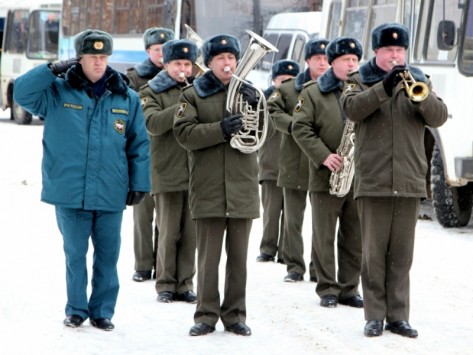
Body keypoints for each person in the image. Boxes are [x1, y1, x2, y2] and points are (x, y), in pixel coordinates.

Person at [13, 29, 150, 331]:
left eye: (104, 57)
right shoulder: (57, 92)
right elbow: (21, 94)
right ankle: (76, 309)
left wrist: (140, 182)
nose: (99, 63)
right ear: (80, 58)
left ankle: (102, 311)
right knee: (75, 255)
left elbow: (138, 144)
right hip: (70, 190)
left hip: (111, 190)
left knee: (108, 256)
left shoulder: (126, 97)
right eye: (92, 57)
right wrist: (49, 71)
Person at [340, 23, 448, 338]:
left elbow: (439, 116)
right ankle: (374, 315)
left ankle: (398, 315)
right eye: (389, 51)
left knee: (401, 254)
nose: (395, 56)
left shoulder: (419, 79)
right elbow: (352, 111)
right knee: (373, 254)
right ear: (377, 52)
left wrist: (421, 96)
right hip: (374, 180)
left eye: (400, 51)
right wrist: (383, 88)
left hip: (410, 179)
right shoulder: (358, 80)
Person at [174, 33, 272, 337]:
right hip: (209, 187)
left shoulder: (252, 93)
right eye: (221, 59)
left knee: (239, 261)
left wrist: (257, 108)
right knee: (208, 259)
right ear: (209, 62)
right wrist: (220, 130)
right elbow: (184, 134)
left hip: (242, 187)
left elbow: (260, 136)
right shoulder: (193, 95)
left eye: (232, 58)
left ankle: (235, 315)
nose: (227, 64)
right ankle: (205, 315)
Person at [292, 37, 364, 309]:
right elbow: (301, 128)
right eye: (346, 60)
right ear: (333, 62)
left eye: (355, 60)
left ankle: (349, 288)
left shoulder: (363, 89)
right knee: (323, 235)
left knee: (354, 234)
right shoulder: (312, 92)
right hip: (326, 175)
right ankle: (327, 288)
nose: (351, 64)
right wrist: (323, 155)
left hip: (358, 177)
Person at [139, 39, 198, 304]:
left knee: (190, 234)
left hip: (196, 172)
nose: (183, 69)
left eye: (187, 64)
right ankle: (165, 283)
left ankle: (185, 283)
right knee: (168, 231)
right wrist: (186, 106)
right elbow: (153, 123)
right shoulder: (151, 91)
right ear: (166, 64)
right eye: (178, 64)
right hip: (167, 169)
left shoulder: (200, 89)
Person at [268, 38, 329, 282]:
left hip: (322, 163)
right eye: (318, 59)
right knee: (293, 220)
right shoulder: (288, 88)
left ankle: (319, 268)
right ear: (308, 61)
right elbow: (273, 112)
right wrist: (296, 126)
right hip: (294, 161)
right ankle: (294, 266)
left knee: (321, 222)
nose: (323, 64)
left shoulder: (335, 88)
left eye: (326, 59)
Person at [126, 27, 174, 282]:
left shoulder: (180, 74)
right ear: (148, 51)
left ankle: (163, 264)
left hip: (171, 151)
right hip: (144, 150)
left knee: (167, 215)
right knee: (144, 211)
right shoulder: (136, 77)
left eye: (166, 51)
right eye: (158, 50)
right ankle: (143, 264)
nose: (162, 55)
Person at [256, 59, 300, 263]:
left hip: (293, 166)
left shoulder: (301, 100)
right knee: (271, 211)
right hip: (270, 165)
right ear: (274, 80)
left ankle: (286, 251)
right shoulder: (263, 101)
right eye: (282, 79)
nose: (285, 83)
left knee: (291, 216)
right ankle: (268, 247)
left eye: (290, 80)